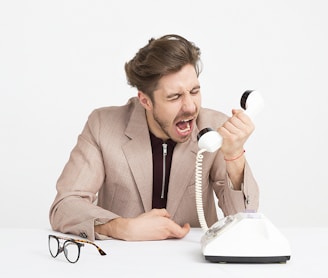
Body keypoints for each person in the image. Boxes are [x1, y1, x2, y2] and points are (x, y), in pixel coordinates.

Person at [49, 34, 259, 241]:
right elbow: (65, 206)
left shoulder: (214, 128)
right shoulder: (102, 125)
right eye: (174, 97)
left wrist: (234, 157)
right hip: (120, 263)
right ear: (145, 100)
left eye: (194, 91)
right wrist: (122, 228)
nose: (190, 107)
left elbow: (244, 219)